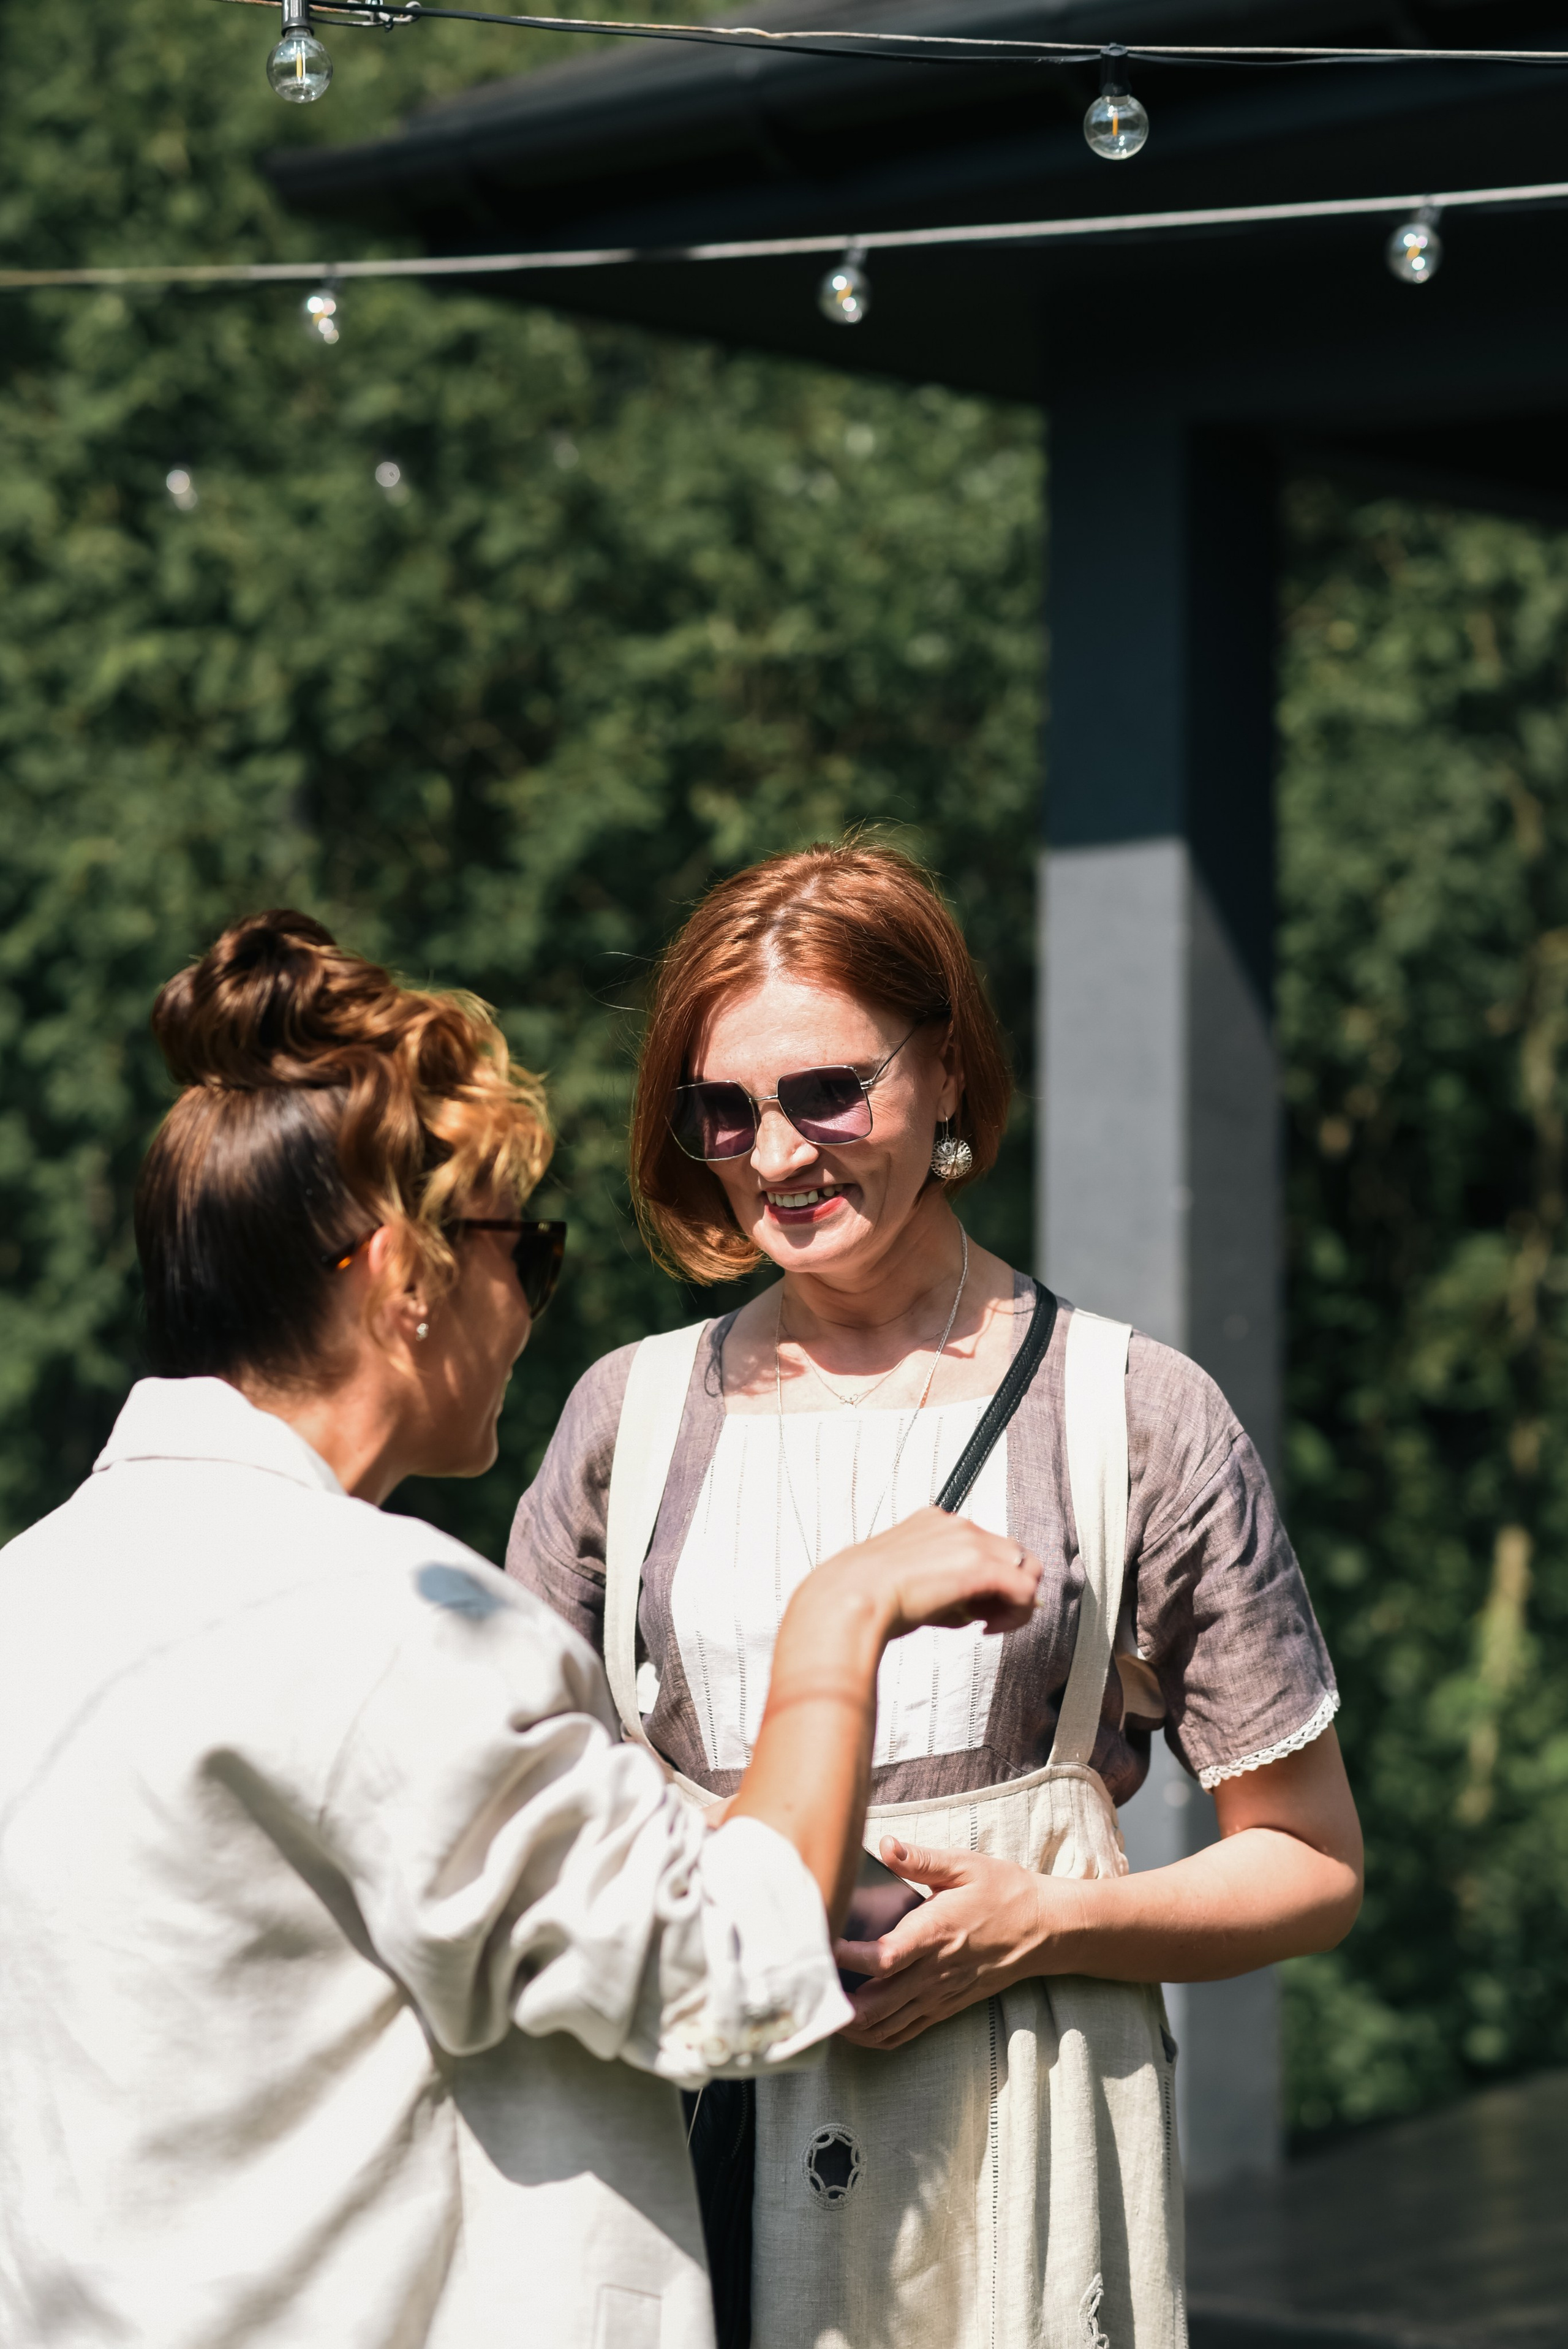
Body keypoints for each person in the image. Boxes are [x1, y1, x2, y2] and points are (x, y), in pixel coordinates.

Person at [0, 908, 1044, 2349]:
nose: (528, 1307)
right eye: (523, 1250)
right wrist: (836, 1619)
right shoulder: (393, 1624)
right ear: (403, 1277)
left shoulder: (36, 1592)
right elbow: (730, 1971)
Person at [509, 839, 1365, 2349]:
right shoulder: (623, 1421)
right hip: (686, 2126)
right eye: (724, 1111)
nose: (777, 1154)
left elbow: (1308, 1862)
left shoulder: (1130, 1412)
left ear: (949, 1069)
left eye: (827, 1091)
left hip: (1012, 2138)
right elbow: (518, 1819)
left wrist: (1047, 1922)